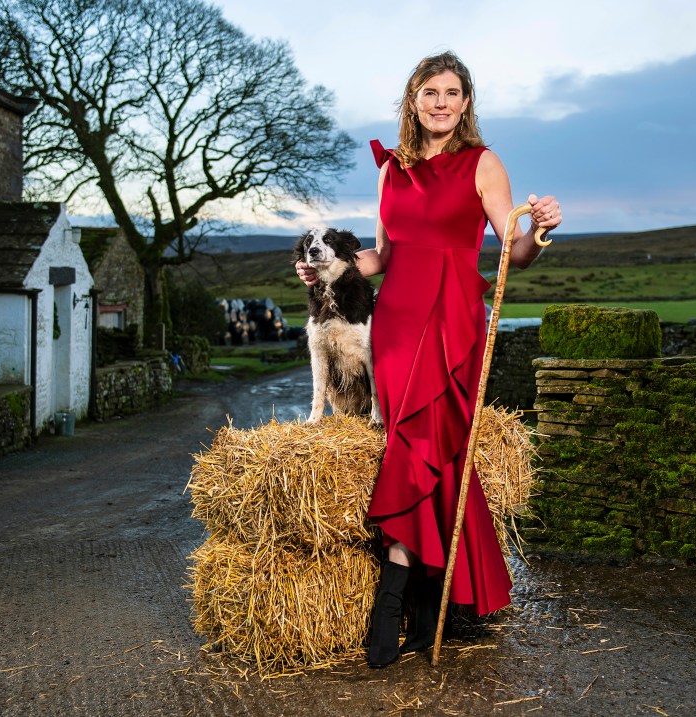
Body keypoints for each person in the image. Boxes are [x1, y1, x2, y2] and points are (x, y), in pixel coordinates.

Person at [295, 50, 562, 668]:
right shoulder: (391, 172)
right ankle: (411, 603)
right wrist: (327, 266)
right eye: (428, 92)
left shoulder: (483, 163)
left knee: (434, 447)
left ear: (465, 103)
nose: (440, 102)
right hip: (395, 323)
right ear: (412, 101)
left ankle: (401, 600)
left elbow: (513, 253)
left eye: (451, 92)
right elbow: (383, 256)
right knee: (405, 447)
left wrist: (539, 230)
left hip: (453, 320)